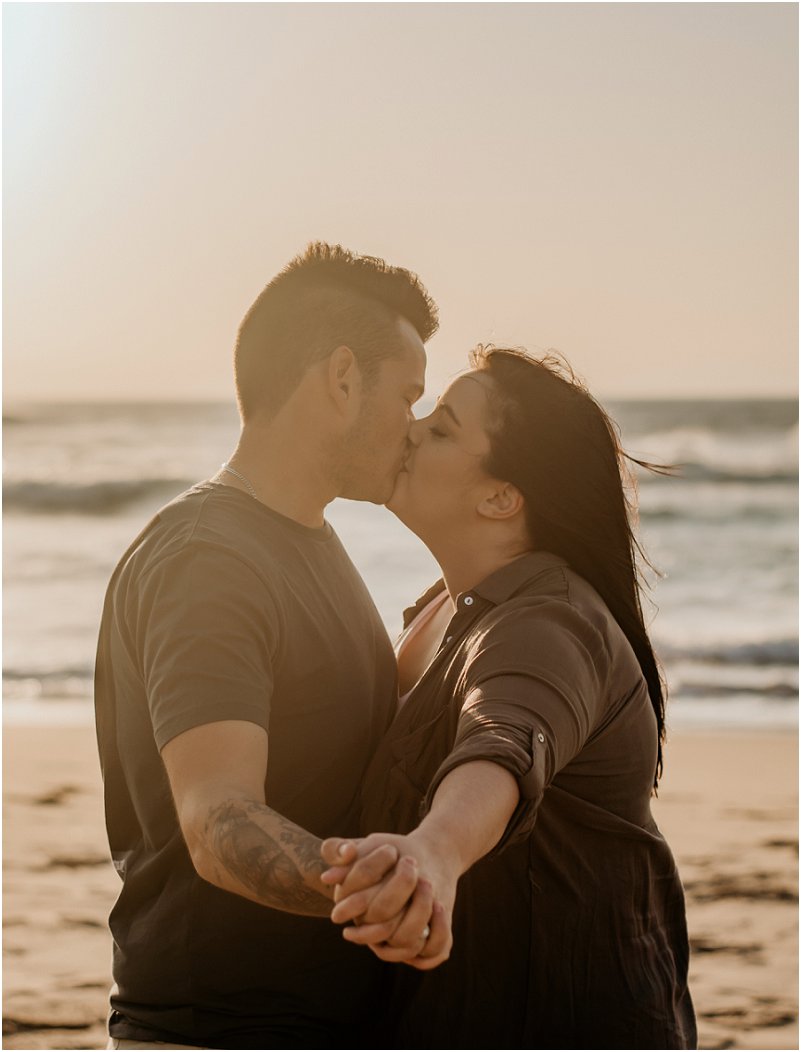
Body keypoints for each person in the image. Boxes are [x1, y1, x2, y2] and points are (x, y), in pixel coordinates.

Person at [93, 242, 438, 1049]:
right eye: (408, 396)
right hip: (221, 1028)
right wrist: (394, 894)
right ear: (342, 377)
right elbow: (219, 823)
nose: (414, 429)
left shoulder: (306, 537)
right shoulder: (208, 558)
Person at [322, 347, 697, 1050]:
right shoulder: (441, 610)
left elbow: (504, 736)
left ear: (499, 496)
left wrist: (434, 850)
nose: (409, 429)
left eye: (441, 429)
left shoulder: (544, 625)